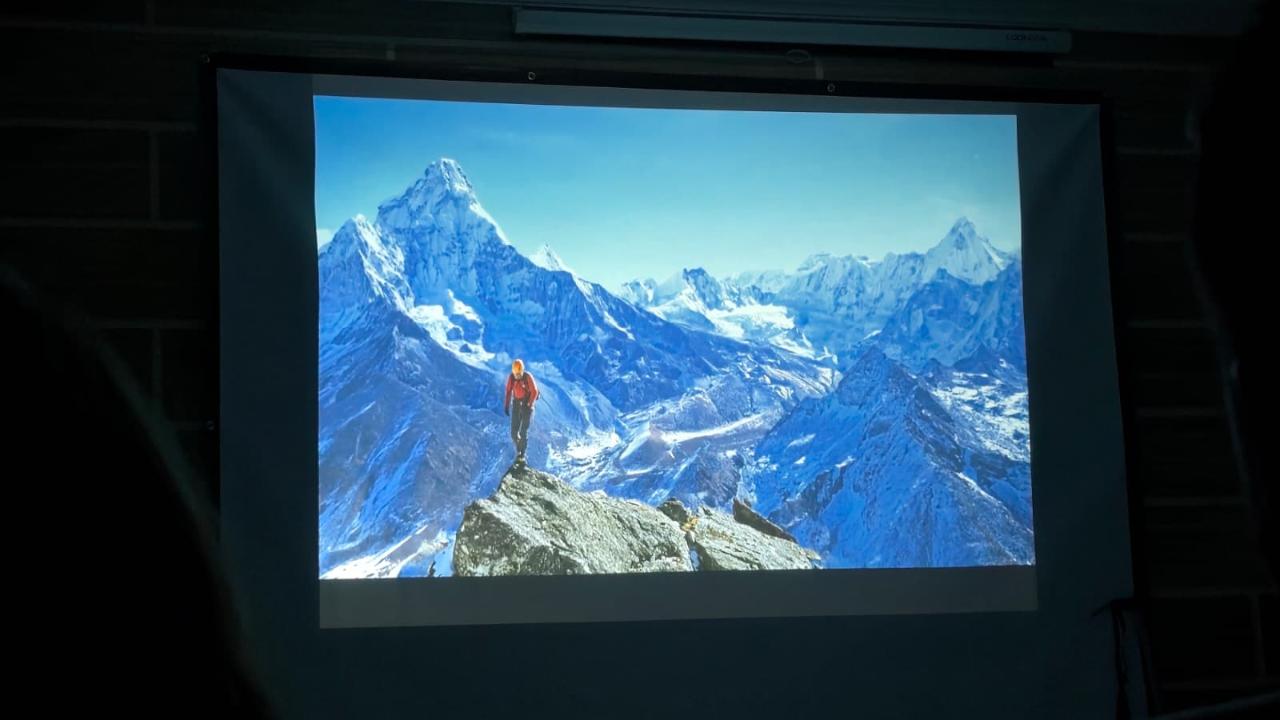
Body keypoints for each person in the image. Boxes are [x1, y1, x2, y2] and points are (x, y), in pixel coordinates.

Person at [503, 358, 539, 464]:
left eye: (518, 374)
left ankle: (521, 455)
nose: (517, 376)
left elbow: (535, 391)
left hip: (527, 405)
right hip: (517, 403)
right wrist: (506, 406)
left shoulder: (527, 377)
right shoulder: (512, 378)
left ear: (522, 371)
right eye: (515, 374)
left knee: (523, 431)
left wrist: (528, 404)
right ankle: (519, 449)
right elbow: (509, 391)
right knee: (514, 432)